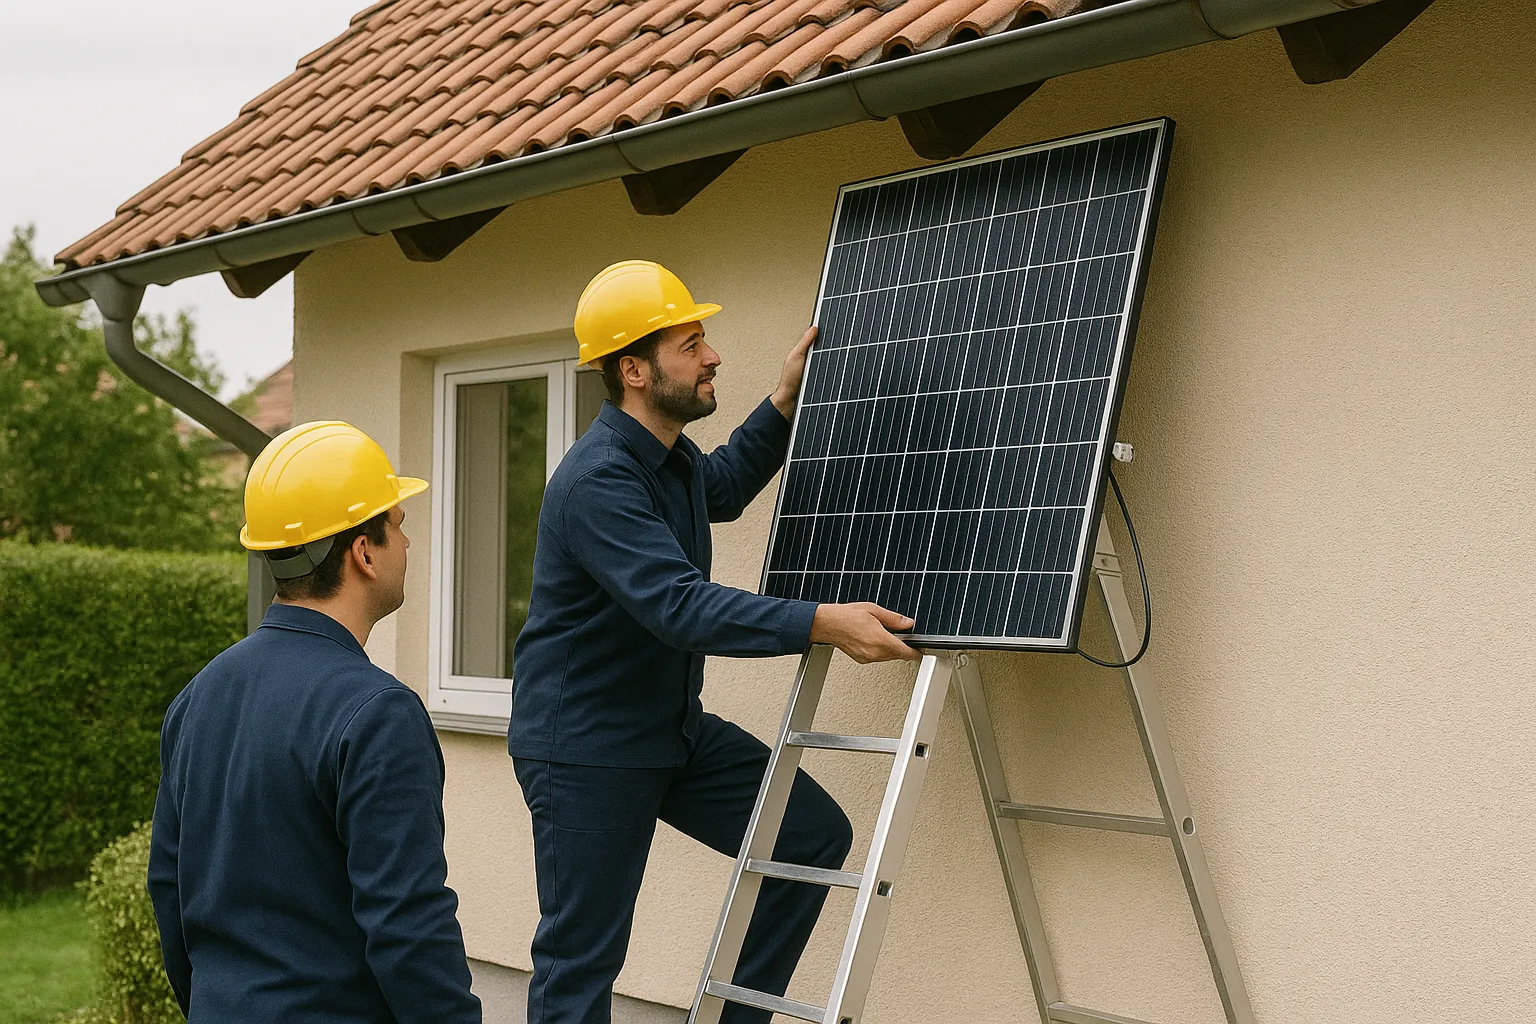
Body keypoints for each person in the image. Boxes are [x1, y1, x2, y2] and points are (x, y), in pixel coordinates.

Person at [509, 260, 921, 1024]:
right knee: (582, 960)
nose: (713, 356)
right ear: (634, 370)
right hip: (586, 748)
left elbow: (721, 486)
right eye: (691, 344)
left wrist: (783, 403)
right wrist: (822, 621)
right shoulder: (598, 480)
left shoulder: (667, 460)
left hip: (669, 730)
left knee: (808, 837)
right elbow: (679, 608)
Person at [148, 421, 480, 1024]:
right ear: (363, 553)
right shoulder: (380, 715)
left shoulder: (198, 696)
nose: (408, 543)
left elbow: (169, 890)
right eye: (399, 525)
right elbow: (409, 929)